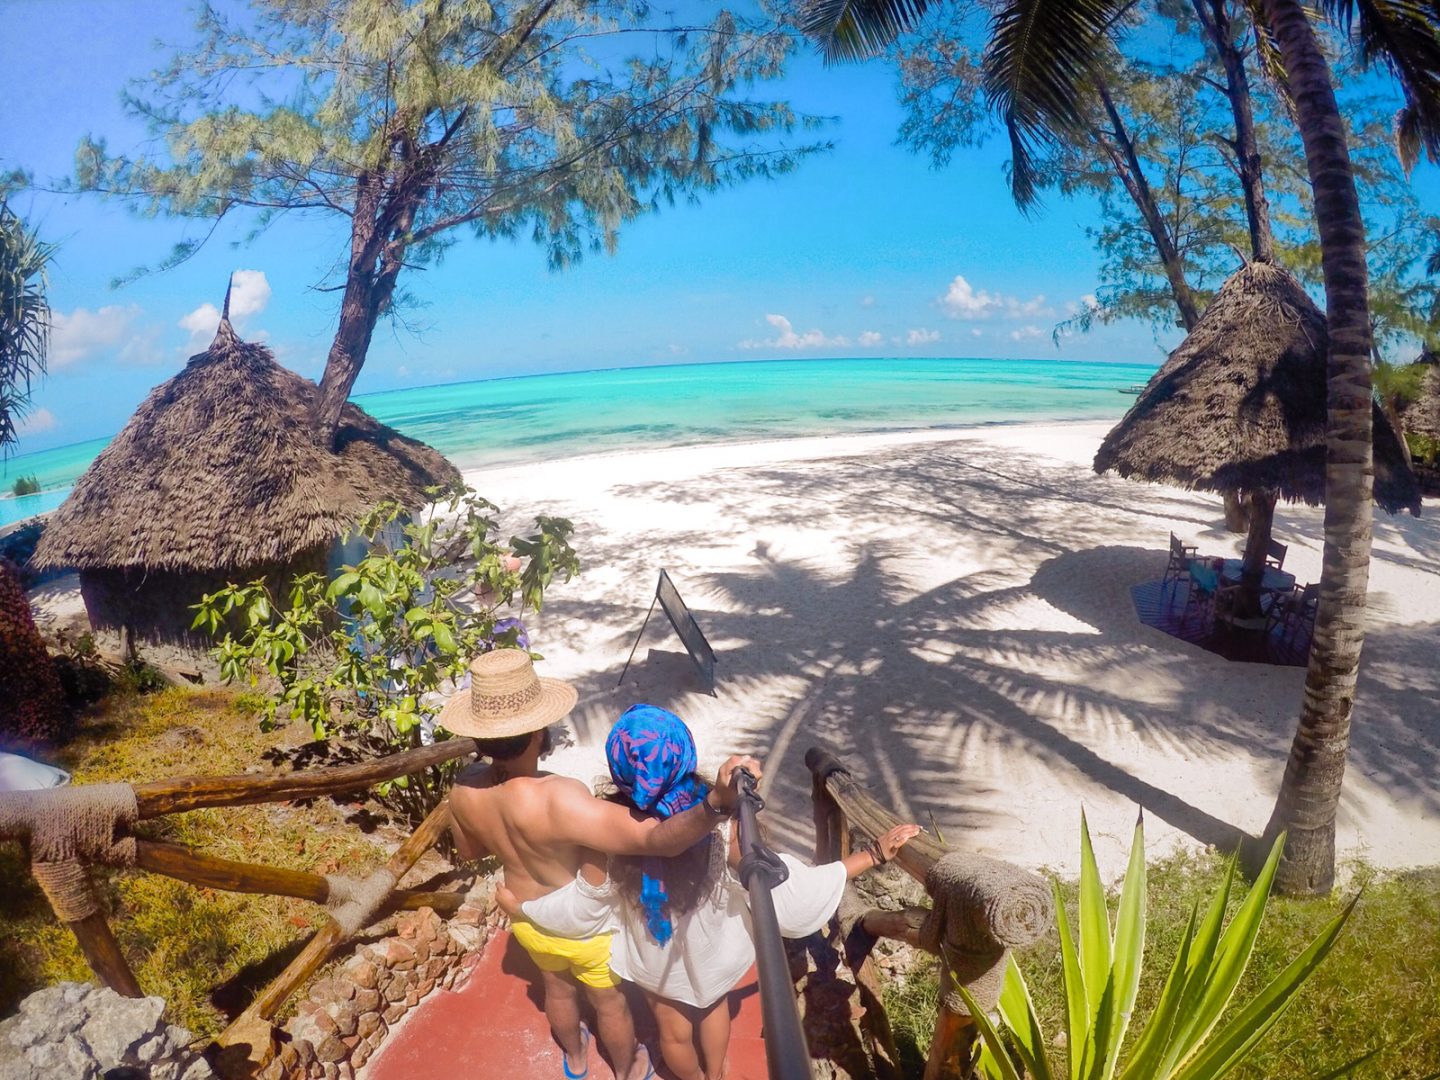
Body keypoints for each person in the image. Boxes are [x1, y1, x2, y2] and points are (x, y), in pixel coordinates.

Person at [508, 704, 919, 1080]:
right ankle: (717, 1075)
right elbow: (781, 885)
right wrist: (871, 854)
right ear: (684, 753)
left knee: (672, 1032)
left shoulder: (608, 827)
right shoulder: (722, 819)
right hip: (711, 948)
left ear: (619, 768)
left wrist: (527, 908)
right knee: (711, 1007)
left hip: (654, 950)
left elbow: (587, 899)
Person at [444, 650, 760, 1080]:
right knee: (608, 1004)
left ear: (480, 738)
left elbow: (469, 852)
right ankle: (629, 1067)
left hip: (523, 913)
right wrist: (715, 805)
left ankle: (574, 1059)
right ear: (539, 731)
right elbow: (656, 839)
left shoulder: (462, 789)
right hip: (580, 926)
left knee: (556, 990)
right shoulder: (562, 797)